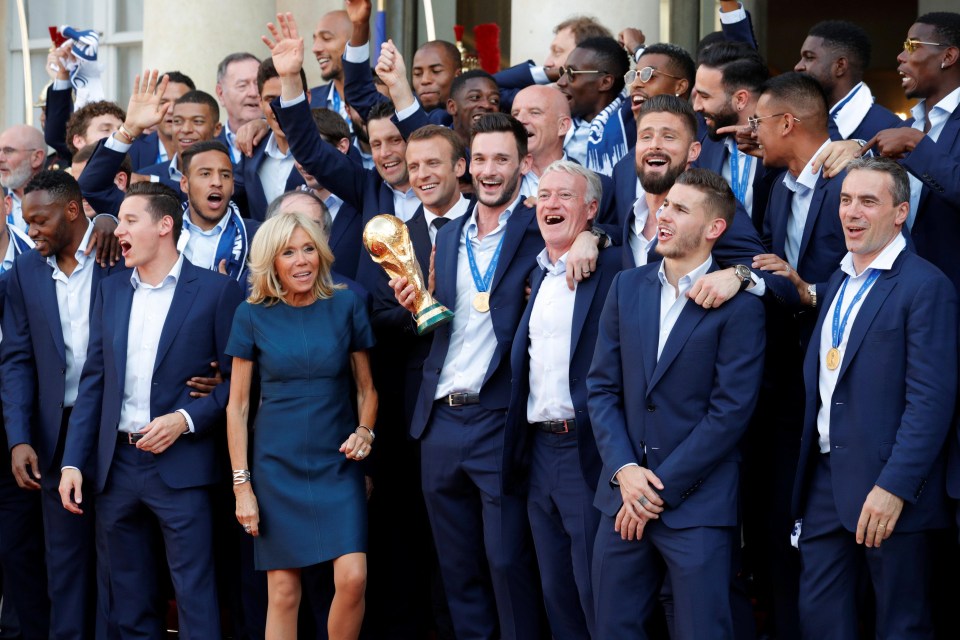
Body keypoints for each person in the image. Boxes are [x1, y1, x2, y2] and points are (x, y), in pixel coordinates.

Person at [58, 181, 243, 638]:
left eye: (128, 220)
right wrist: (72, 461)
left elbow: (238, 389)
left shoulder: (218, 292)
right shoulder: (112, 289)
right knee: (128, 600)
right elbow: (94, 383)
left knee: (196, 596)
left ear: (165, 226)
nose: (117, 229)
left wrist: (185, 420)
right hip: (116, 466)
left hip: (184, 469)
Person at [588, 168, 766, 638]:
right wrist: (624, 471)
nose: (663, 215)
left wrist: (656, 491)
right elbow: (601, 388)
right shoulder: (626, 287)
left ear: (715, 229)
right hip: (621, 499)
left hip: (697, 507)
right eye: (665, 205)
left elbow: (729, 415)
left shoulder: (741, 308)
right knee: (612, 629)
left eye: (680, 209)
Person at [792, 156, 958, 640]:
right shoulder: (839, 280)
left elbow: (931, 401)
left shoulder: (927, 287)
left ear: (900, 212)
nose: (852, 212)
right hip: (824, 483)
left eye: (868, 201)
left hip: (893, 491)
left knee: (900, 627)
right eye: (846, 200)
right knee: (821, 621)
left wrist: (894, 488)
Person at [226, 211, 376, 639]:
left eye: (308, 249)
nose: (301, 261)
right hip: (277, 466)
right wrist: (243, 485)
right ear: (271, 261)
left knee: (353, 578)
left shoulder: (346, 303)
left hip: (337, 462)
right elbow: (236, 407)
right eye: (288, 252)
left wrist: (366, 431)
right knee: (284, 591)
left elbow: (367, 390)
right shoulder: (251, 314)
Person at [0, 170, 126, 640]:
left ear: (73, 211)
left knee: (118, 560)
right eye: (27, 222)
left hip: (115, 428)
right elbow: (14, 360)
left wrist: (111, 217)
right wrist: (19, 438)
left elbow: (161, 207)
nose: (30, 232)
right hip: (53, 434)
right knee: (65, 564)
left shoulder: (119, 253)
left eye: (40, 221)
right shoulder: (26, 272)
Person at [507, 160, 619, 640]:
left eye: (565, 196)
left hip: (587, 450)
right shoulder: (535, 272)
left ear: (591, 208)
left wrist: (599, 238)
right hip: (538, 452)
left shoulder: (612, 266)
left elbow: (648, 245)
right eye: (544, 195)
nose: (550, 204)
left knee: (597, 590)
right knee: (556, 592)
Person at [860, 12, 960, 293]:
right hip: (899, 294)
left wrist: (918, 145)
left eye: (913, 46)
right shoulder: (905, 126)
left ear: (948, 56)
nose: (900, 57)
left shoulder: (911, 136)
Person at [692, 41, 781, 232]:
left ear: (740, 99)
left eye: (705, 96)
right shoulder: (708, 145)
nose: (696, 106)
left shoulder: (783, 145)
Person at [793, 21, 900, 141]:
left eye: (809, 57)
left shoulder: (888, 129)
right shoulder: (796, 119)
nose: (798, 66)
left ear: (840, 66)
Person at [241, 58, 308, 221]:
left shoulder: (328, 150)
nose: (279, 108)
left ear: (307, 98)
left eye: (287, 96)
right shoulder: (251, 150)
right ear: (260, 103)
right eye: (271, 100)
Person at [215, 52, 262, 165]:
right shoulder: (209, 146)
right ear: (221, 94)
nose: (254, 93)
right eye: (242, 86)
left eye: (258, 84)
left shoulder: (281, 137)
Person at [0, 125, 47, 230]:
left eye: (8, 151)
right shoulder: (1, 197)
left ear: (37, 158)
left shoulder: (58, 200)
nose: (1, 158)